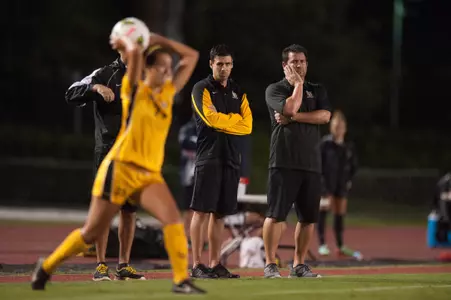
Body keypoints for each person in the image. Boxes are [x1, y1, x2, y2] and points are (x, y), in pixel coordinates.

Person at [31, 29, 206, 294]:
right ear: (148, 72)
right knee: (91, 233)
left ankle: (181, 281)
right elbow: (134, 57)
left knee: (171, 219)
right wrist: (129, 41)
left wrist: (160, 41)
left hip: (147, 173)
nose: (168, 73)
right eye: (162, 69)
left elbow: (192, 56)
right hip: (121, 168)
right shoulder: (135, 89)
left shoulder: (167, 92)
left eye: (171, 69)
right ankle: (46, 267)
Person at [65, 42, 144, 282]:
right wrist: (96, 88)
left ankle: (124, 265)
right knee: (104, 211)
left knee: (129, 210)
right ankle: (100, 265)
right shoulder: (104, 74)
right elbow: (71, 93)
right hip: (109, 151)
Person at [263, 44, 331, 278]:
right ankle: (270, 264)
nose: (299, 65)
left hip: (311, 164)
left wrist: (296, 117)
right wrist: (298, 86)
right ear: (285, 65)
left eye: (302, 61)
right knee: (275, 214)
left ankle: (299, 265)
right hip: (283, 161)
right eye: (294, 62)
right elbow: (289, 107)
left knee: (308, 218)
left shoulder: (317, 89)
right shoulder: (275, 89)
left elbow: (325, 116)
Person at [190, 44, 253, 278]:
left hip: (231, 159)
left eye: (228, 64)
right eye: (219, 64)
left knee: (219, 215)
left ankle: (215, 264)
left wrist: (223, 120)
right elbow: (209, 119)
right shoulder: (201, 88)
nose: (224, 68)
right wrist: (232, 120)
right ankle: (197, 265)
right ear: (211, 64)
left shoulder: (239, 91)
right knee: (201, 211)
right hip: (208, 157)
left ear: (232, 65)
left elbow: (248, 126)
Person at [316, 110, 361, 260]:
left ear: (345, 128)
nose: (338, 129)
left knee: (340, 214)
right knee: (324, 210)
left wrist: (348, 180)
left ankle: (340, 245)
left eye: (340, 126)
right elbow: (318, 165)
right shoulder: (325, 144)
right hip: (326, 184)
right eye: (335, 126)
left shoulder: (349, 147)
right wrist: (322, 185)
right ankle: (322, 244)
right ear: (331, 127)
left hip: (341, 185)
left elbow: (353, 166)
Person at [177, 116, 208, 248]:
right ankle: (185, 236)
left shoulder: (208, 126)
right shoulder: (187, 128)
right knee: (188, 207)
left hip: (205, 172)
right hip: (189, 173)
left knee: (205, 208)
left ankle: (202, 238)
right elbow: (184, 142)